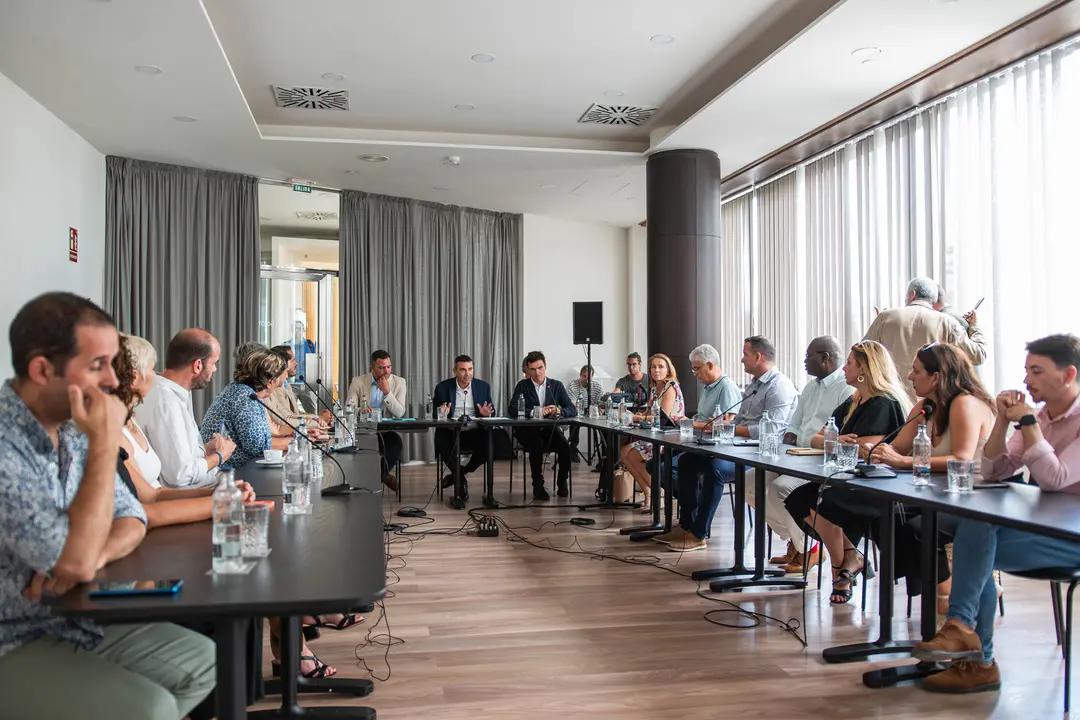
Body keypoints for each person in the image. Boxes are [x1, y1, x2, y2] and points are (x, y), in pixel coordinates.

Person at [0, 292, 216, 718]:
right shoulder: (14, 445)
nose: (113, 381)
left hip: (74, 617)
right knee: (152, 708)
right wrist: (103, 441)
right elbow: (74, 562)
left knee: (203, 662)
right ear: (42, 369)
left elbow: (132, 516)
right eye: (97, 365)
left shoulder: (75, 426)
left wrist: (89, 555)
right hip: (15, 635)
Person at [914, 334, 1080, 694]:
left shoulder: (1055, 420)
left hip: (1072, 539)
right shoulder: (1041, 416)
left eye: (1036, 372)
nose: (1026, 381)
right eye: (1026, 371)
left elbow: (1055, 480)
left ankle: (976, 658)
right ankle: (968, 643)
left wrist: (1029, 425)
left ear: (1068, 375)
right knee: (978, 527)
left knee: (977, 547)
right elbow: (992, 470)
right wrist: (1004, 422)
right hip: (1044, 528)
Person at [788, 342, 995, 605]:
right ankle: (940, 595)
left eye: (916, 371)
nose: (909, 377)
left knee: (899, 523)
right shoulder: (924, 407)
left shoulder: (964, 403)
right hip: (925, 488)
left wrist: (900, 461)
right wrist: (877, 452)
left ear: (936, 376)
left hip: (965, 495)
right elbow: (896, 448)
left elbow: (961, 460)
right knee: (868, 514)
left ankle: (949, 598)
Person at [782, 341, 910, 599]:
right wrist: (838, 441)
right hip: (847, 477)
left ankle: (842, 569)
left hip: (876, 484)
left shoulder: (884, 403)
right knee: (798, 499)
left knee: (824, 503)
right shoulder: (854, 402)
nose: (844, 368)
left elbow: (873, 448)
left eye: (850, 363)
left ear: (864, 368)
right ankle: (849, 558)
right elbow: (818, 437)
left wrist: (838, 442)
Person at [667, 336, 798, 553]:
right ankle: (686, 525)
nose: (741, 360)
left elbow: (770, 431)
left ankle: (699, 534)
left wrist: (726, 429)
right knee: (687, 461)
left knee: (715, 470)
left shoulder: (780, 386)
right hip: (736, 446)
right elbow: (738, 420)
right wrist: (724, 430)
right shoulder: (754, 385)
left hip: (757, 453)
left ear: (758, 356)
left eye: (745, 354)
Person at [747, 336, 855, 573]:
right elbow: (795, 424)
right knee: (749, 482)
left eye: (809, 356)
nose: (804, 362)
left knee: (780, 488)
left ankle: (809, 548)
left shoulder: (846, 388)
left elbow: (836, 435)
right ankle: (802, 541)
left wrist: (802, 439)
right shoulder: (810, 387)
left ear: (825, 357)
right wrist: (790, 437)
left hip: (821, 461)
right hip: (797, 454)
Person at [137, 329, 236, 489]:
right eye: (214, 363)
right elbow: (180, 475)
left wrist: (203, 450)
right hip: (190, 496)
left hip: (205, 486)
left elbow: (173, 456)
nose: (215, 369)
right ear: (198, 365)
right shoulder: (166, 402)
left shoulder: (173, 393)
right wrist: (219, 456)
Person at [864, 276, 987, 402]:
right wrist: (975, 326)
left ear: (912, 294)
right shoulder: (947, 323)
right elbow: (978, 354)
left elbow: (862, 352)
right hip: (927, 404)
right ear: (933, 301)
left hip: (889, 400)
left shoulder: (886, 317)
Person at [200, 347, 290, 469]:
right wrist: (293, 443)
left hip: (240, 471)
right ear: (270, 381)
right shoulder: (244, 397)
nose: (283, 380)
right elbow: (257, 446)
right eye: (280, 375)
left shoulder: (245, 392)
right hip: (226, 474)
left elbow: (262, 438)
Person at [618, 354, 685, 514]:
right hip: (656, 434)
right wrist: (633, 414)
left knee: (633, 454)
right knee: (624, 452)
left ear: (668, 369)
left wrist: (633, 417)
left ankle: (658, 493)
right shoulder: (654, 389)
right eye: (653, 367)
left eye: (661, 366)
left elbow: (662, 417)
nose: (656, 370)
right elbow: (648, 412)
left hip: (671, 437)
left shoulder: (670, 387)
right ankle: (648, 492)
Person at [508, 351, 577, 500]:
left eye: (540, 368)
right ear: (527, 369)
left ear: (545, 366)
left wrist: (559, 410)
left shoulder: (556, 385)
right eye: (532, 369)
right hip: (527, 429)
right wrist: (535, 411)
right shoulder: (522, 385)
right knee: (536, 444)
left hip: (549, 429)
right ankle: (537, 486)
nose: (537, 372)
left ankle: (562, 481)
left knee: (565, 447)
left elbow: (572, 409)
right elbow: (512, 409)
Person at [341, 350, 406, 491]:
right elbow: (348, 408)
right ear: (372, 367)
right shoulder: (358, 381)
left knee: (395, 443)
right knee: (362, 450)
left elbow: (400, 413)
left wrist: (387, 393)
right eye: (381, 367)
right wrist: (360, 410)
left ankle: (378, 477)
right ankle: (382, 477)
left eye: (388, 367)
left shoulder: (399, 382)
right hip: (364, 428)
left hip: (385, 428)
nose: (386, 371)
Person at [433, 355, 496, 502]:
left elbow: (492, 412)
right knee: (441, 442)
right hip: (451, 432)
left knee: (493, 443)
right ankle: (460, 483)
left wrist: (486, 414)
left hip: (475, 431)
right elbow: (434, 415)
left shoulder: (483, 387)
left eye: (470, 369)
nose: (467, 374)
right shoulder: (442, 387)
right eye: (462, 370)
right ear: (455, 371)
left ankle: (460, 473)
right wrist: (442, 414)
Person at [567, 364, 603, 459]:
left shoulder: (597, 387)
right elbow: (572, 405)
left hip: (593, 415)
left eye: (589, 377)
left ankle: (603, 456)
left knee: (604, 427)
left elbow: (600, 404)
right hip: (578, 415)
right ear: (580, 375)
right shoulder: (572, 386)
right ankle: (573, 451)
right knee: (573, 423)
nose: (587, 379)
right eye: (584, 376)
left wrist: (599, 409)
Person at [266, 344, 303, 428]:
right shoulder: (271, 388)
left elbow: (295, 414)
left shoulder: (285, 383)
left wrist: (317, 419)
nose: (296, 363)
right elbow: (284, 421)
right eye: (293, 360)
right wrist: (316, 422)